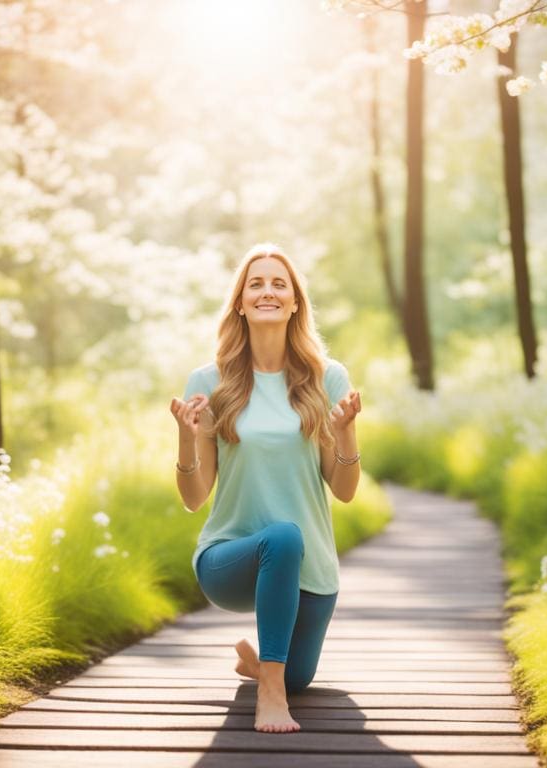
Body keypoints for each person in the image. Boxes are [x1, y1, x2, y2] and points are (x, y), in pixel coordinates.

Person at [169, 243, 362, 734]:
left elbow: (344, 491)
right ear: (240, 302)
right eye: (256, 283)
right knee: (282, 537)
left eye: (279, 283)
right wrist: (186, 440)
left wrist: (345, 435)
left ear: (295, 301)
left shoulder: (327, 378)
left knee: (298, 676)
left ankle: (264, 670)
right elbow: (195, 497)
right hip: (230, 556)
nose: (268, 291)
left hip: (310, 569)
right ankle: (268, 695)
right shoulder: (209, 380)